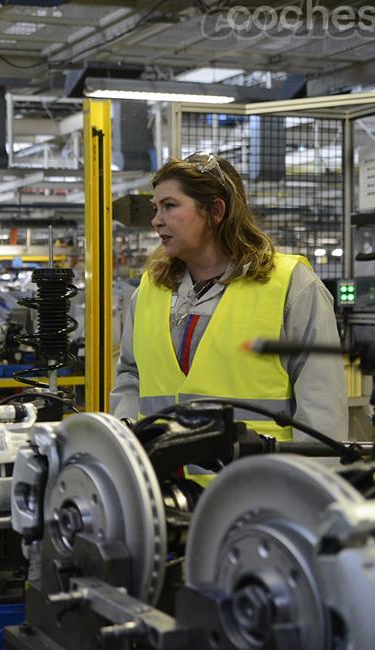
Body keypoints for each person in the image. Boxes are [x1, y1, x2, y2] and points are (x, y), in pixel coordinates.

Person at [110, 152, 346, 441]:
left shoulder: (291, 285)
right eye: (156, 208)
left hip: (252, 482)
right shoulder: (150, 288)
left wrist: (307, 483)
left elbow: (322, 405)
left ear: (216, 211)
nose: (157, 221)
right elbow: (130, 376)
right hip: (164, 482)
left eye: (170, 206)